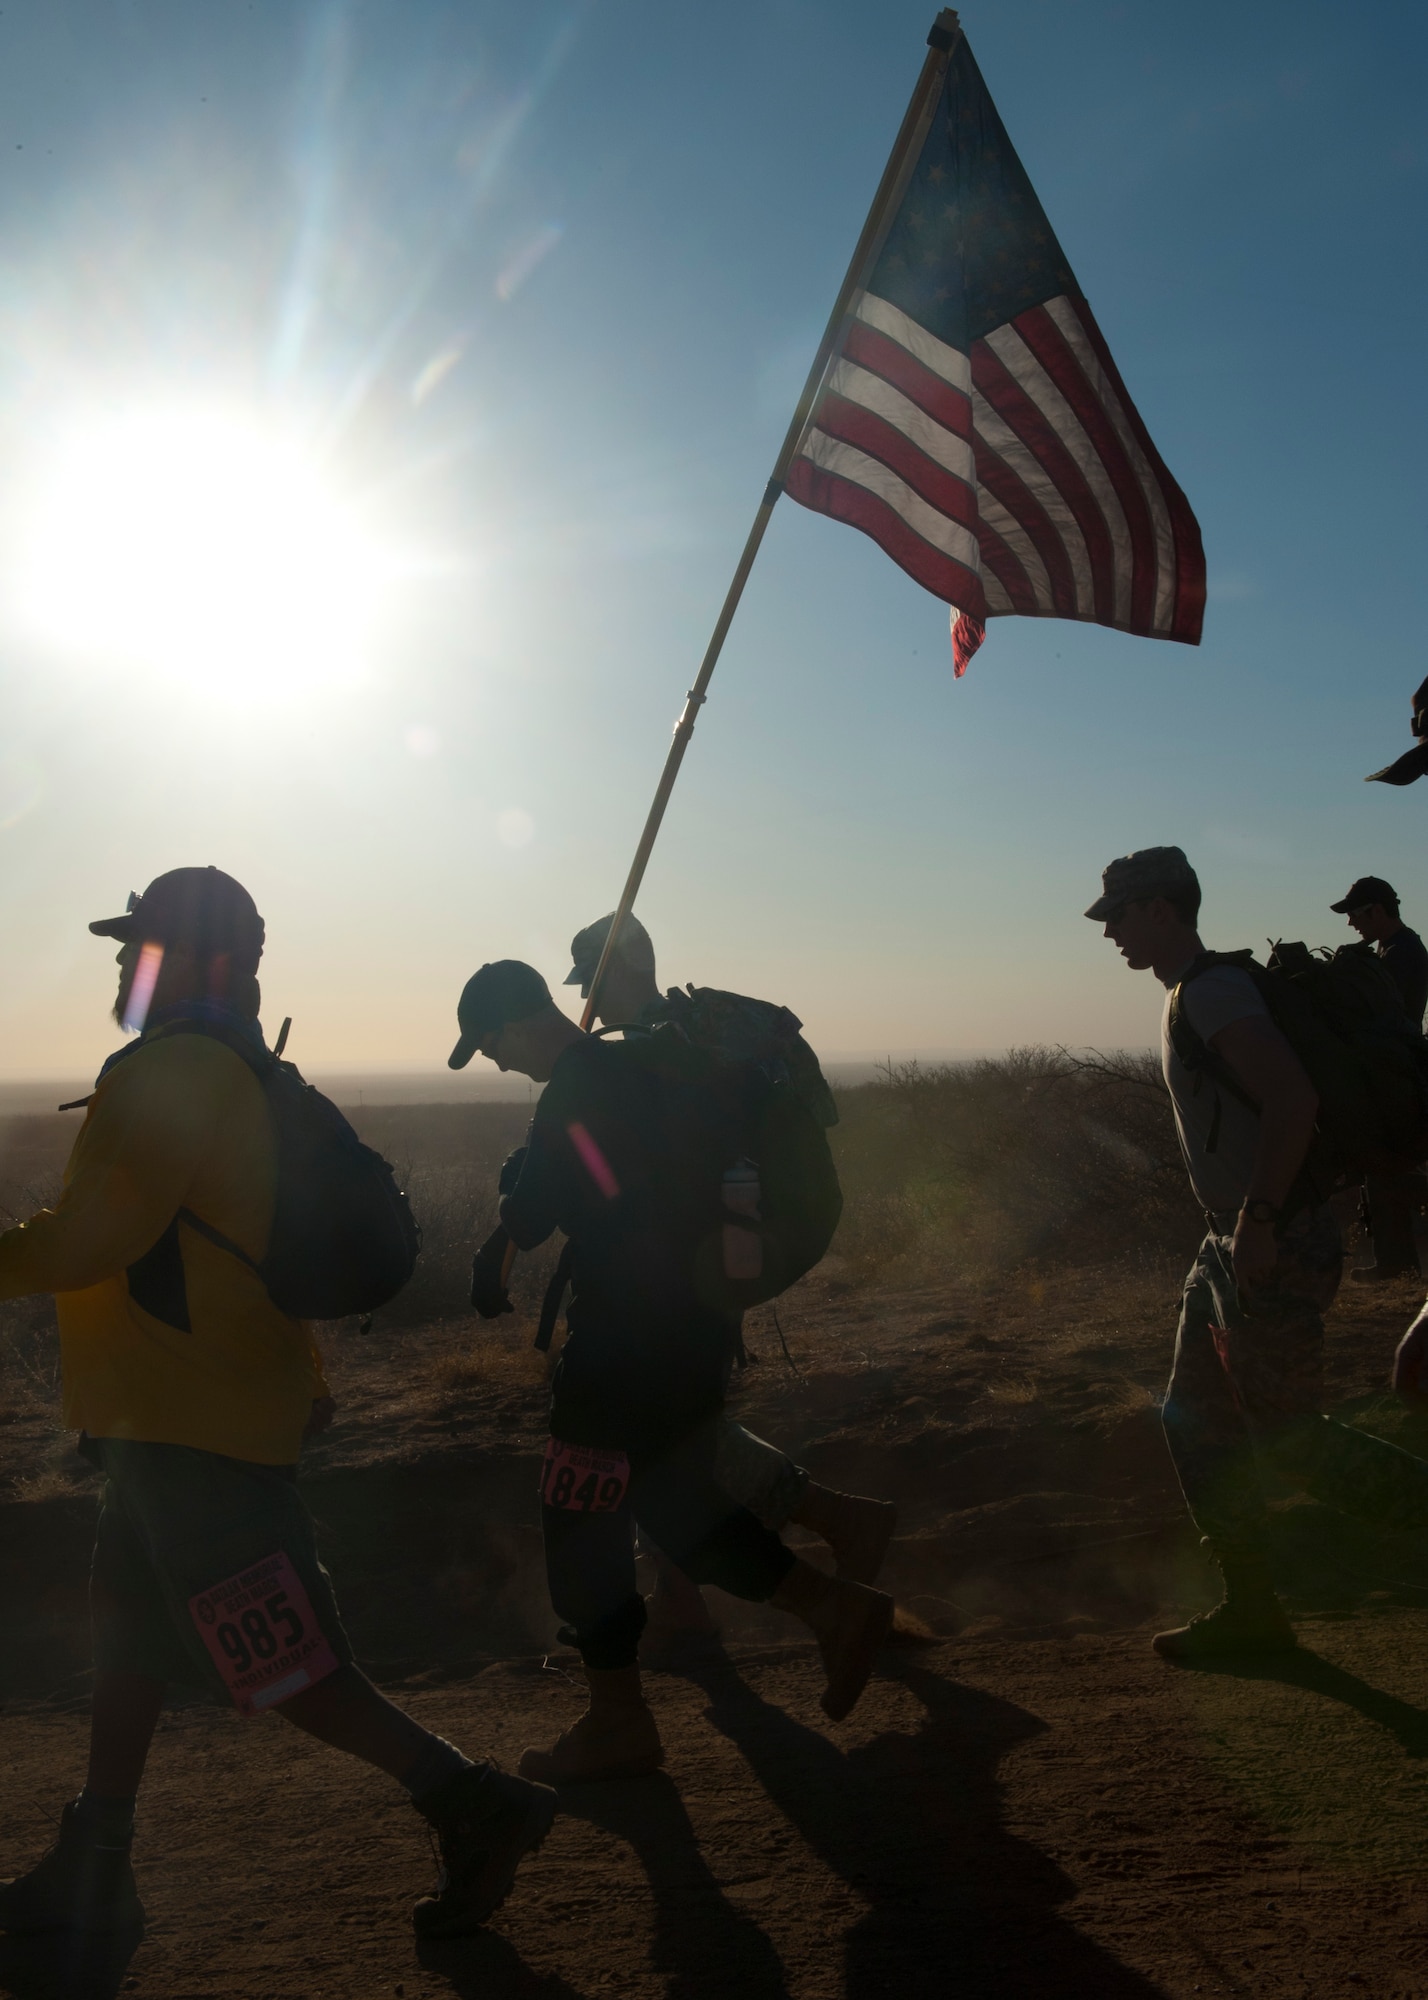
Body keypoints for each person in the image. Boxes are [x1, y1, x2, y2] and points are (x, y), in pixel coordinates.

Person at [0, 870, 554, 1940]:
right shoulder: (250, 1072)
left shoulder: (175, 1071)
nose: (124, 966)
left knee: (283, 1660)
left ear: (210, 963)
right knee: (130, 1637)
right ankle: (94, 1863)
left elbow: (89, 1239)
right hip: (173, 1413)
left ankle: (474, 1802)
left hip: (188, 1422)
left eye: (143, 948)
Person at [450, 961, 893, 1781]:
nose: (498, 1065)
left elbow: (545, 1206)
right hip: (695, 1322)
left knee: (576, 1511)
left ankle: (619, 1720)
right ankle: (833, 1609)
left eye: (489, 1048)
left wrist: (505, 1222)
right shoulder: (634, 1064)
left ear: (514, 1026)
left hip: (628, 1333)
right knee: (666, 1499)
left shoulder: (582, 1079)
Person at [1088, 846, 1428, 1661]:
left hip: (1270, 1235)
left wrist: (1263, 1219)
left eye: (1121, 916)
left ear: (1163, 909)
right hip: (1232, 1239)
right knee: (1193, 1421)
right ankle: (1252, 1611)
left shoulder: (1213, 992)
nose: (1111, 935)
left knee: (1286, 1436)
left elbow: (1292, 1095)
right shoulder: (1193, 992)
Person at [564, 911, 895, 1642]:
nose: (585, 998)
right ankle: (701, 1587)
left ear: (620, 972)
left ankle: (835, 1530)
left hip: (687, 1278)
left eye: (589, 980)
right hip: (706, 1268)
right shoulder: (681, 1047)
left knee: (667, 1439)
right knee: (678, 1433)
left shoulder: (656, 1057)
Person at [1328, 876, 1427, 1282]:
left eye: (1355, 914)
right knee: (1387, 1163)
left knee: (1389, 1161)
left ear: (1378, 911)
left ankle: (1395, 1260)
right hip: (1393, 1069)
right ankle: (1395, 1259)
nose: (1351, 923)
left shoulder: (1401, 954)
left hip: (1396, 1071)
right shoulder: (1395, 949)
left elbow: (1385, 1018)